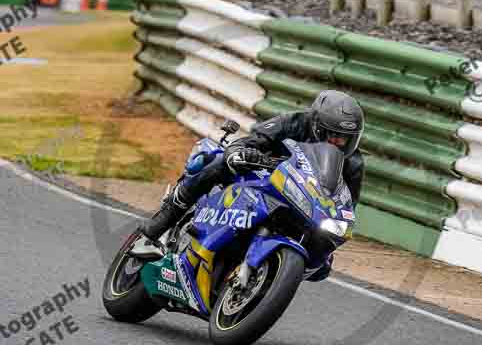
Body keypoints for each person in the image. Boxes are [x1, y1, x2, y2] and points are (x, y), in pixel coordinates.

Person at [141, 91, 366, 267]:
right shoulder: (293, 122)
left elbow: (346, 205)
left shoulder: (353, 164)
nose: (338, 142)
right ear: (316, 125)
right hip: (260, 176)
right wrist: (241, 153)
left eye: (345, 139)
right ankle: (160, 224)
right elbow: (250, 141)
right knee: (217, 160)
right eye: (334, 135)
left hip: (299, 199)